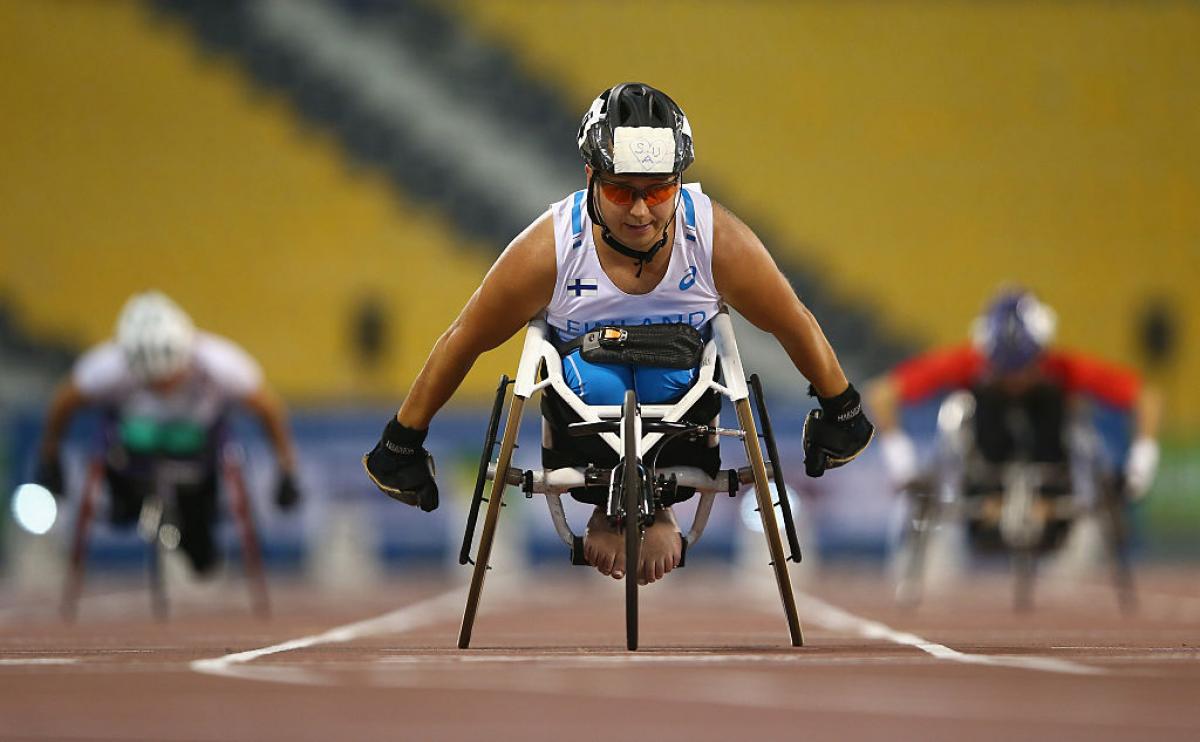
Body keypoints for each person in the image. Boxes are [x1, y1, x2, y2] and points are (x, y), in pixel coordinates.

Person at [364, 82, 873, 584]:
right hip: (581, 419)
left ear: (678, 181)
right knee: (597, 377)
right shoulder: (552, 246)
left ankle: (660, 509)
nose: (640, 211)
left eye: (658, 190)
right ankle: (610, 509)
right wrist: (402, 440)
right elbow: (466, 336)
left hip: (685, 418)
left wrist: (842, 408)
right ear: (590, 175)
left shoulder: (712, 236)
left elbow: (790, 318)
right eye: (620, 190)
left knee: (678, 375)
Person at [34, 291, 301, 575]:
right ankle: (146, 516)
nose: (162, 389)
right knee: (131, 508)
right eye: (151, 382)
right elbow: (64, 403)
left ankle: (191, 537)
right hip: (132, 457)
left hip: (197, 454)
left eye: (169, 379)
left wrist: (286, 469)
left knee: (202, 553)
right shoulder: (108, 366)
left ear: (186, 355)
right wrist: (50, 458)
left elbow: (269, 409)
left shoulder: (222, 363)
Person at [868, 288, 1162, 499]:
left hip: (1051, 462)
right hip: (984, 466)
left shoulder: (1062, 367)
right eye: (1004, 368)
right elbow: (883, 394)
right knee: (981, 399)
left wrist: (1141, 461)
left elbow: (1146, 398)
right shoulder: (970, 362)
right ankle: (989, 498)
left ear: (1041, 353)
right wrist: (901, 461)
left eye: (1023, 367)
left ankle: (1049, 498)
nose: (1014, 380)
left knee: (1056, 399)